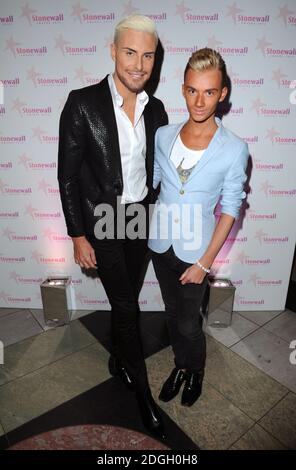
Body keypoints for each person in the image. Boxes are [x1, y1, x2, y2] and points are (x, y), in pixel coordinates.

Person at [58, 15, 168, 439]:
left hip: (138, 215)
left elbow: (158, 170)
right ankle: (142, 394)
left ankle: (118, 359)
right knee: (127, 307)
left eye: (147, 55)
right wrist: (77, 234)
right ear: (113, 51)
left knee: (129, 298)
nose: (138, 64)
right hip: (101, 219)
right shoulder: (82, 103)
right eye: (130, 52)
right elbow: (67, 175)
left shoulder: (155, 108)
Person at [148, 48, 249, 407]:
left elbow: (230, 211)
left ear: (222, 94)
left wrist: (205, 263)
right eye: (193, 90)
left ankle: (197, 371)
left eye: (209, 92)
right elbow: (154, 187)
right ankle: (180, 365)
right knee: (172, 315)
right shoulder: (163, 136)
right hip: (161, 246)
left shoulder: (235, 149)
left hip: (197, 253)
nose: (200, 101)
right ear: (184, 89)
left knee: (191, 322)